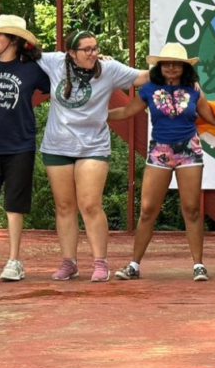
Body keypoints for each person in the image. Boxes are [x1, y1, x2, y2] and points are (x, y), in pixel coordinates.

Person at [37, 29, 150, 282]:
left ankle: (100, 262)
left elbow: (143, 77)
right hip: (57, 146)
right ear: (71, 53)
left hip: (93, 146)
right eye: (87, 49)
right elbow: (23, 54)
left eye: (95, 48)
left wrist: (183, 73)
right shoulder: (54, 61)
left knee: (89, 204)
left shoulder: (108, 69)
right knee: (64, 206)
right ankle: (69, 262)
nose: (93, 53)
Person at [110, 43, 215, 282]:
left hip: (189, 152)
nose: (171, 67)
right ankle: (134, 264)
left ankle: (198, 265)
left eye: (177, 64)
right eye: (166, 63)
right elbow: (125, 112)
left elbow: (212, 117)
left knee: (192, 210)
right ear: (159, 66)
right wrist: (94, 115)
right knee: (147, 210)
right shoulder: (149, 89)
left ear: (184, 67)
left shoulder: (194, 90)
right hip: (159, 153)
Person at [0, 15, 50, 282]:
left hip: (20, 145)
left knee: (14, 206)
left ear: (14, 40)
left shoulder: (32, 69)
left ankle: (14, 260)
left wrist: (102, 66)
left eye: (0, 35)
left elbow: (63, 85)